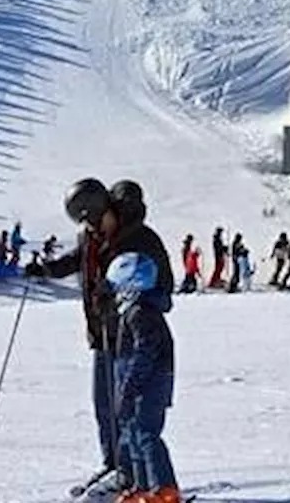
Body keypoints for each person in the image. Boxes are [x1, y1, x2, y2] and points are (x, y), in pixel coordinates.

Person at [24, 178, 175, 500]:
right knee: (105, 406)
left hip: (131, 336)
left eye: (94, 220)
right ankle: (116, 466)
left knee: (128, 409)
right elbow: (76, 260)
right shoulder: (91, 236)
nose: (92, 228)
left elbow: (165, 291)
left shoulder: (141, 239)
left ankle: (134, 476)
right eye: (86, 223)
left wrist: (130, 299)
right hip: (101, 333)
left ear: (107, 209)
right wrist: (45, 270)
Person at [105, 247, 180, 503]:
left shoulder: (141, 313)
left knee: (147, 434)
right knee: (133, 433)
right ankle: (143, 486)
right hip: (134, 383)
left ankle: (164, 488)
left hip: (149, 384)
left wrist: (131, 384)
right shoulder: (134, 311)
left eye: (118, 286)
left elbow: (146, 351)